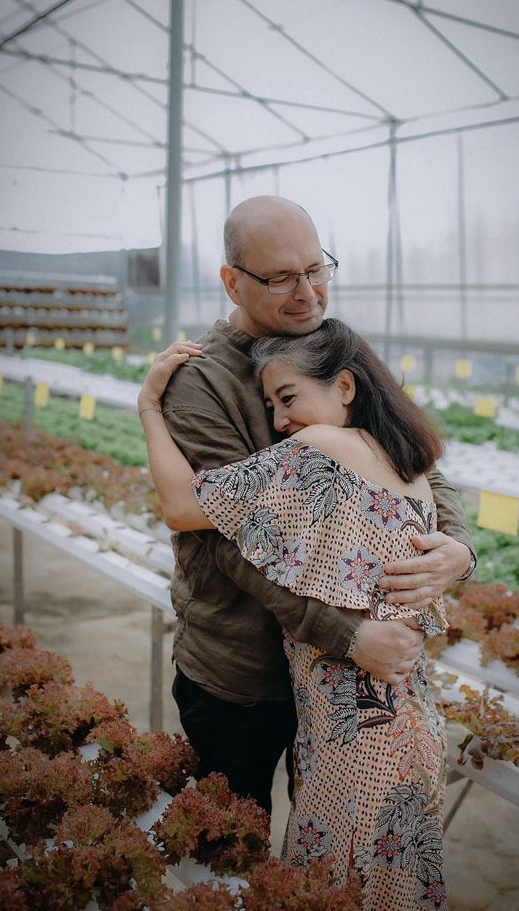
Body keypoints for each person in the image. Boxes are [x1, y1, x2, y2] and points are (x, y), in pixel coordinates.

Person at [153, 196, 475, 814]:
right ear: (232, 282)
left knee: (330, 861)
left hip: (346, 681)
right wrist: (348, 635)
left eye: (316, 270)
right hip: (244, 673)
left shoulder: (332, 348)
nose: (306, 293)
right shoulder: (201, 381)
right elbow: (231, 543)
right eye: (280, 278)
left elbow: (411, 454)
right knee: (234, 852)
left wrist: (457, 548)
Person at [137, 318, 451, 909]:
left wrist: (150, 406)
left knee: (327, 893)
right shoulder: (403, 462)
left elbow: (182, 506)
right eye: (272, 405)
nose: (281, 422)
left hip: (354, 735)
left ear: (346, 389)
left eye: (289, 399)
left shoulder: (322, 450)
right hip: (404, 723)